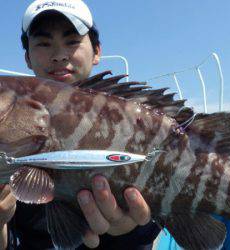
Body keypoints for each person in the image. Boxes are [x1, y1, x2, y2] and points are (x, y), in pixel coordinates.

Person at [0, 0, 160, 249]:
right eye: (43, 43)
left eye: (72, 41)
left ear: (97, 51)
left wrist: (134, 232)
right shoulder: (10, 143)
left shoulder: (135, 115)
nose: (59, 55)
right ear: (27, 58)